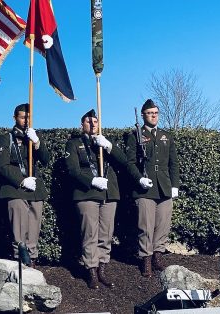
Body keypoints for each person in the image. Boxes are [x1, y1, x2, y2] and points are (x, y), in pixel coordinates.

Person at [64, 109, 127, 289]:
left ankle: (102, 269)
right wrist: (92, 180)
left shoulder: (105, 142)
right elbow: (72, 170)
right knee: (90, 233)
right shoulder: (74, 144)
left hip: (108, 194)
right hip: (87, 194)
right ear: (81, 124)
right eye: (88, 121)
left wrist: (108, 146)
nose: (92, 124)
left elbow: (124, 162)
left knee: (106, 234)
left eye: (95, 121)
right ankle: (91, 270)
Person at [125, 99, 179, 277]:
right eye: (150, 113)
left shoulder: (166, 136)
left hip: (164, 186)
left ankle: (157, 256)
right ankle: (146, 259)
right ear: (143, 115)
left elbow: (173, 163)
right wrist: (139, 178)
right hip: (145, 187)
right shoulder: (135, 135)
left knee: (163, 224)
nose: (153, 116)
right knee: (146, 226)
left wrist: (174, 185)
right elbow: (130, 162)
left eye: (155, 113)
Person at [0, 103, 50, 267]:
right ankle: (20, 263)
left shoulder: (35, 136)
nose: (26, 120)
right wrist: (21, 180)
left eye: (29, 117)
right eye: (22, 117)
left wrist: (37, 142)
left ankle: (32, 261)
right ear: (15, 118)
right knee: (19, 232)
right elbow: (2, 165)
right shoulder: (7, 138)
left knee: (34, 229)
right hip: (16, 189)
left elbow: (46, 160)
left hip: (35, 190)